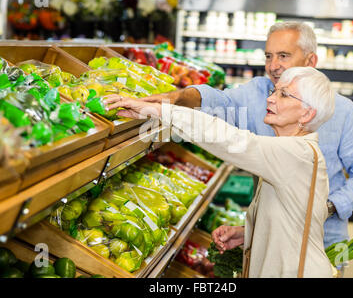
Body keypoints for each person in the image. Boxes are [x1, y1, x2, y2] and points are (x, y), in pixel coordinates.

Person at [139, 22, 353, 260]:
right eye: (268, 56)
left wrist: (328, 207)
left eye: (283, 56)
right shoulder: (257, 93)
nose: (273, 66)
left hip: (325, 239)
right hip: (270, 235)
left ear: (310, 62)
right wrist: (178, 97)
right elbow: (219, 102)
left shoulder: (343, 111)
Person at [104, 67, 336, 277]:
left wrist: (161, 111)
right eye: (274, 91)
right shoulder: (294, 152)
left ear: (307, 114)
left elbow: (231, 140)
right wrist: (250, 233)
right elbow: (297, 215)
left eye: (283, 95)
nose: (270, 99)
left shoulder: (297, 153)